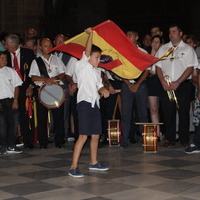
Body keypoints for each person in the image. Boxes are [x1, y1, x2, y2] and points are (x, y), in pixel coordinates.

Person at [68, 27, 109, 178]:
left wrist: (103, 90)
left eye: (100, 57)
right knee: (83, 136)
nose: (99, 60)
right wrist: (90, 35)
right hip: (84, 104)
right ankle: (73, 166)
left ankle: (93, 162)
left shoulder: (97, 71)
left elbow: (99, 86)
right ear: (88, 57)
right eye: (96, 57)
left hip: (94, 105)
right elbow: (87, 50)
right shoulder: (82, 66)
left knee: (96, 135)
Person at [155, 24, 199, 147]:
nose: (171, 34)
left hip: (182, 85)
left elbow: (190, 68)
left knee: (184, 112)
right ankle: (170, 138)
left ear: (180, 33)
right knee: (168, 112)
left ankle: (184, 139)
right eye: (170, 32)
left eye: (174, 32)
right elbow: (158, 67)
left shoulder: (188, 49)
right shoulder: (163, 49)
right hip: (166, 85)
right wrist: (163, 81)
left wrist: (178, 82)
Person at [29, 38, 66, 149]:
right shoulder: (36, 61)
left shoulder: (57, 59)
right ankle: (43, 142)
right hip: (43, 92)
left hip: (56, 92)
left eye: (50, 45)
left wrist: (56, 78)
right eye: (45, 46)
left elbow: (63, 73)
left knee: (59, 118)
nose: (48, 48)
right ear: (40, 47)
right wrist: (45, 79)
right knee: (42, 118)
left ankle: (59, 141)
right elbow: (33, 77)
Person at [4, 34, 36, 149]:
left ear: (14, 44)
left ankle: (28, 140)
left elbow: (33, 71)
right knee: (9, 116)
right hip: (9, 89)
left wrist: (31, 86)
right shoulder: (5, 56)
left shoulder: (27, 53)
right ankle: (11, 140)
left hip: (25, 87)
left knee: (25, 115)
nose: (5, 46)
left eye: (7, 44)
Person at [120, 29, 149, 149]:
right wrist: (128, 84)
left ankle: (145, 139)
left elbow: (147, 70)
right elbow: (119, 70)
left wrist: (137, 84)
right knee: (125, 114)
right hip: (127, 85)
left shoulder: (142, 52)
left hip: (140, 85)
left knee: (142, 113)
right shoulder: (122, 51)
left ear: (136, 38)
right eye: (126, 35)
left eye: (130, 35)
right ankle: (124, 140)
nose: (128, 37)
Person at [0, 51, 23, 154]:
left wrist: (15, 100)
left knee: (13, 123)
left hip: (10, 100)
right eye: (2, 58)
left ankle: (11, 145)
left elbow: (16, 86)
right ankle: (3, 146)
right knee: (2, 125)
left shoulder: (11, 71)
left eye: (5, 58)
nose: (4, 61)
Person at [146, 35, 164, 139]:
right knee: (153, 109)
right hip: (152, 81)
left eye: (157, 42)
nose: (155, 44)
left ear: (161, 44)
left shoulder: (165, 54)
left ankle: (167, 132)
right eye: (153, 42)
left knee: (165, 108)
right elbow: (148, 69)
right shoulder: (148, 54)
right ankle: (156, 133)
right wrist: (152, 52)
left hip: (163, 81)